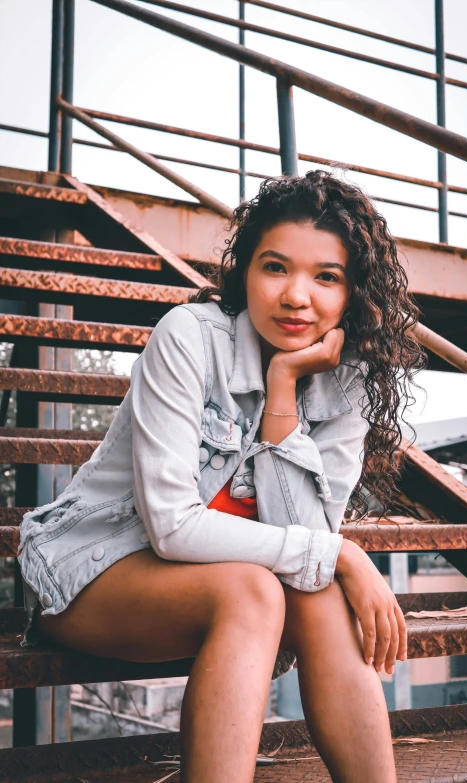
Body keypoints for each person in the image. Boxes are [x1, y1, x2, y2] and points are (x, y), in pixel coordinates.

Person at [17, 170, 425, 783]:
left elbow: (304, 541)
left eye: (326, 277)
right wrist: (343, 553)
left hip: (229, 601)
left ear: (352, 294)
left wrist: (283, 390)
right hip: (89, 575)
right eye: (275, 267)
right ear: (245, 274)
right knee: (264, 588)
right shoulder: (188, 339)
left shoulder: (348, 382)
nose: (296, 296)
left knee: (316, 593)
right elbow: (173, 529)